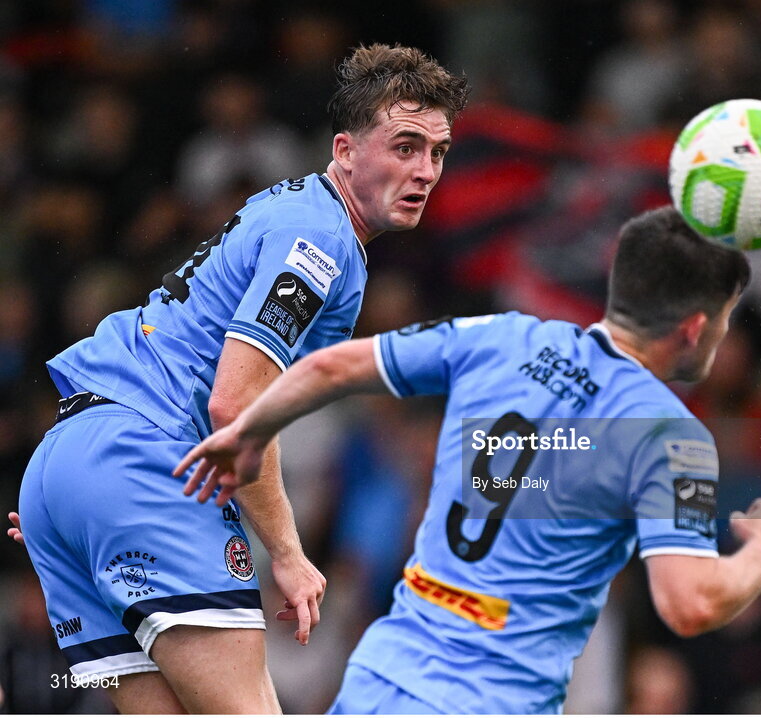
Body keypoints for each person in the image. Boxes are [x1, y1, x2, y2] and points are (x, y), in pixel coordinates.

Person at [176, 206, 761, 714]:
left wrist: (252, 431)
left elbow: (333, 365)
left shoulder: (501, 337)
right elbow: (689, 603)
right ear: (694, 328)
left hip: (382, 683)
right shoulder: (674, 439)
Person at [12, 43, 468, 713]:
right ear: (345, 150)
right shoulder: (322, 241)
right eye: (404, 146)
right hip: (144, 461)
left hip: (66, 467)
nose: (425, 169)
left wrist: (89, 499)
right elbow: (237, 403)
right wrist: (287, 552)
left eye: (438, 152)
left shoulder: (286, 207)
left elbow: (248, 405)